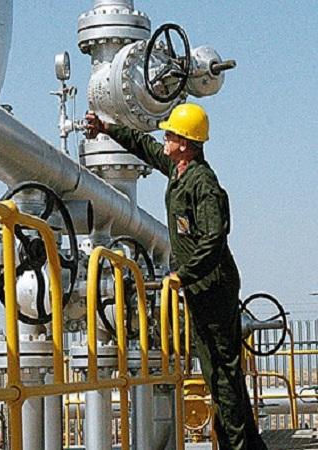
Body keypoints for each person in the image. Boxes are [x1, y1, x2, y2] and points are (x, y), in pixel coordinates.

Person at [86, 104, 267, 450]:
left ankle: (237, 445)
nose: (165, 139)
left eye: (170, 134)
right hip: (201, 286)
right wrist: (108, 129)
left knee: (221, 373)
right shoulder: (177, 170)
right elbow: (144, 145)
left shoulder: (203, 184)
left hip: (213, 287)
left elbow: (214, 239)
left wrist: (182, 276)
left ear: (185, 143)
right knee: (222, 373)